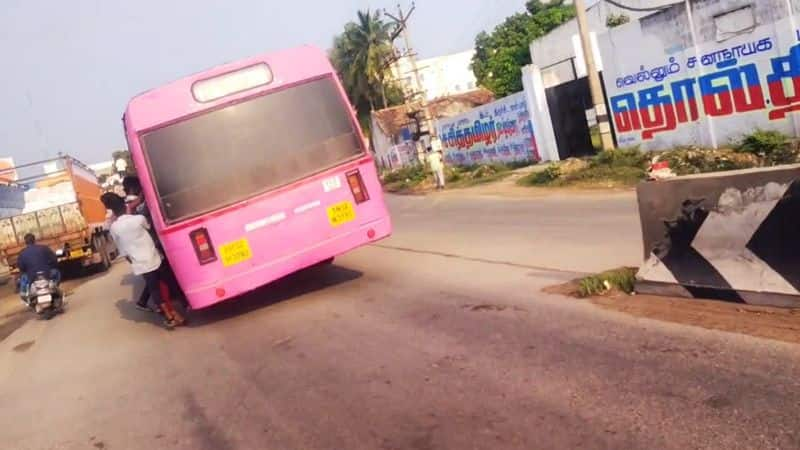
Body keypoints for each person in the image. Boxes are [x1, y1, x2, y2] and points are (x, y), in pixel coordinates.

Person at [103, 193, 185, 329]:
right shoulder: (139, 219)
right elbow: (148, 227)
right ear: (126, 206)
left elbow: (121, 248)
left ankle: (170, 316)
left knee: (154, 289)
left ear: (113, 211)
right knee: (168, 281)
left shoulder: (114, 228)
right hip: (154, 257)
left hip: (139, 262)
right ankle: (182, 307)